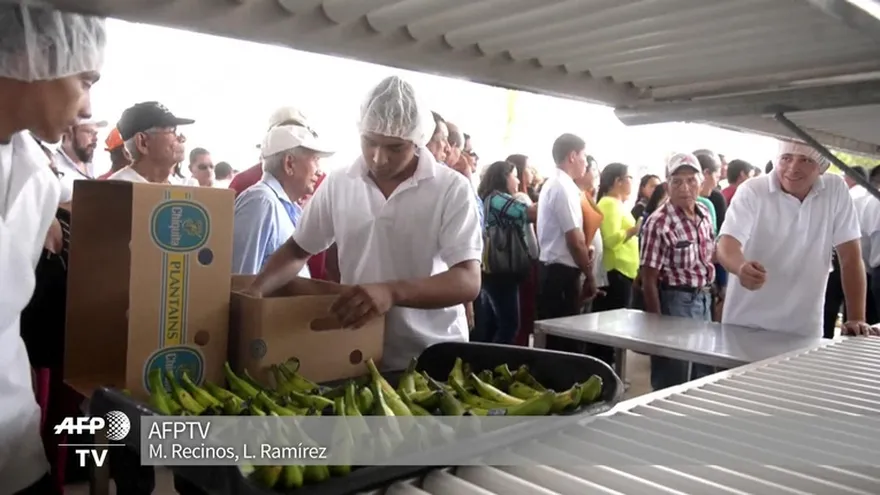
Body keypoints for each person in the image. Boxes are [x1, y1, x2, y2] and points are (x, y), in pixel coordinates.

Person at [245, 75, 482, 371]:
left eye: (395, 148)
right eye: (369, 142)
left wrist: (391, 292)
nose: (379, 158)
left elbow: (468, 280)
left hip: (430, 354)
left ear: (417, 140)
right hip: (356, 351)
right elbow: (297, 250)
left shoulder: (450, 188)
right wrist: (256, 291)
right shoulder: (340, 182)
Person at [0, 5, 105, 493]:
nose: (86, 108)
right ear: (34, 56)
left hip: (14, 437)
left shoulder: (38, 181)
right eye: (85, 81)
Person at [717, 140, 877, 337]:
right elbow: (727, 243)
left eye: (805, 160)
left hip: (805, 329)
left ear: (822, 167)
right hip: (746, 325)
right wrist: (740, 267)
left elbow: (851, 258)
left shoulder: (835, 189)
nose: (793, 168)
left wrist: (856, 318)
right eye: (786, 158)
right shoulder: (752, 190)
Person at [639, 153, 717, 390]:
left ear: (700, 183)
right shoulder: (659, 222)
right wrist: (657, 326)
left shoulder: (704, 214)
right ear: (667, 185)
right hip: (675, 302)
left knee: (701, 373)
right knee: (674, 376)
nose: (685, 188)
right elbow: (648, 279)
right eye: (677, 182)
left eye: (691, 180)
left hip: (703, 299)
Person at [232, 125, 333, 275]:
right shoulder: (261, 203)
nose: (319, 170)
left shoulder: (283, 205)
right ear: (289, 164)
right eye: (315, 160)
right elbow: (241, 280)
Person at [536, 133, 598, 353]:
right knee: (564, 342)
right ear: (572, 156)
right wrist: (590, 276)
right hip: (559, 274)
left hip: (553, 270)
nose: (585, 161)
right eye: (584, 156)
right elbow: (575, 240)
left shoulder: (555, 184)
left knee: (558, 339)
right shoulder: (563, 187)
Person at [473, 160, 531, 344]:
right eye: (514, 177)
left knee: (493, 323)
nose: (517, 182)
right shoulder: (498, 199)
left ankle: (487, 363)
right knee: (509, 324)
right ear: (503, 177)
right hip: (501, 270)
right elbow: (529, 213)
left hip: (492, 270)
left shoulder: (487, 198)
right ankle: (496, 364)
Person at [109, 102, 196, 184]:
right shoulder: (116, 190)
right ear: (143, 142)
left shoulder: (184, 186)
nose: (182, 138)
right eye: (172, 130)